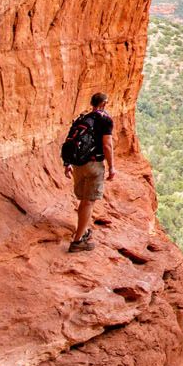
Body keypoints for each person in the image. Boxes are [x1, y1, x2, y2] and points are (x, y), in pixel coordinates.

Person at [65, 92, 117, 252]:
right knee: (89, 201)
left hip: (77, 164)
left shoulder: (83, 119)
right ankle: (77, 241)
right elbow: (107, 145)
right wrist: (112, 167)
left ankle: (83, 231)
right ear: (104, 103)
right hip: (93, 164)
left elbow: (70, 141)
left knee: (84, 201)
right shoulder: (105, 119)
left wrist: (67, 163)